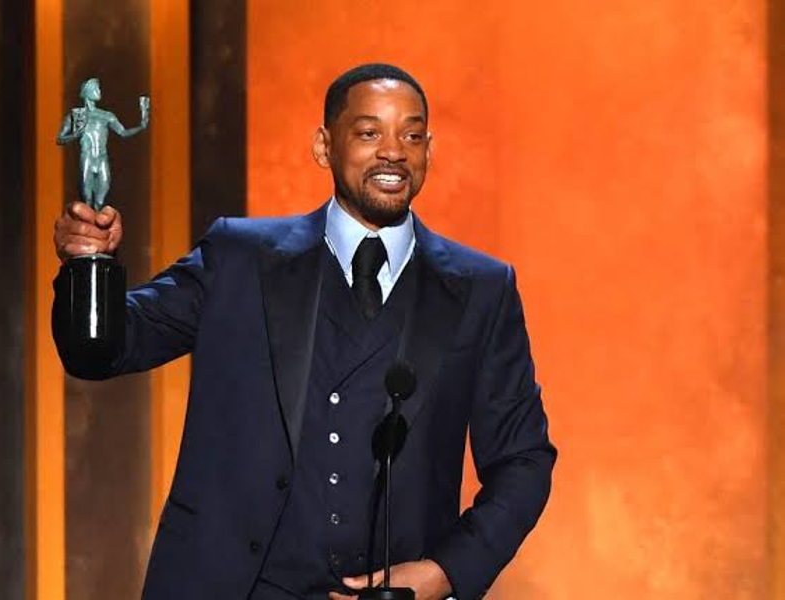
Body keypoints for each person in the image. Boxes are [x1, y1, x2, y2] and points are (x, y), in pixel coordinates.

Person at [52, 63, 556, 600]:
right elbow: (104, 350)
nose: (393, 152)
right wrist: (88, 266)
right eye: (369, 133)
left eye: (411, 136)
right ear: (324, 146)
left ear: (429, 151)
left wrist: (443, 571)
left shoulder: (482, 290)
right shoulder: (239, 258)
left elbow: (524, 460)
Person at [56, 77, 150, 211]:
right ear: (87, 92)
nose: (99, 91)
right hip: (87, 159)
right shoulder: (76, 116)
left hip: (102, 159)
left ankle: (97, 222)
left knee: (100, 201)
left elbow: (123, 132)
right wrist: (75, 135)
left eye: (98, 88)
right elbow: (60, 139)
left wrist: (141, 126)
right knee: (87, 200)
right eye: (96, 88)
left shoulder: (107, 116)